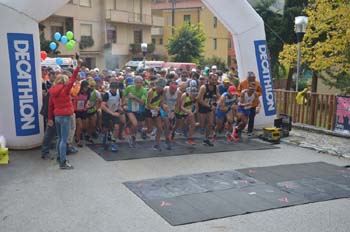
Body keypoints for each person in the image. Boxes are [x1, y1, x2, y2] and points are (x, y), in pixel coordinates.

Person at [48, 59, 82, 169]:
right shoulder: (65, 89)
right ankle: (63, 162)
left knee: (59, 138)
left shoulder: (52, 90)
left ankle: (59, 157)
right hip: (65, 116)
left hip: (57, 116)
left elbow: (50, 106)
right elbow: (72, 80)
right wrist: (78, 67)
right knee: (64, 139)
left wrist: (50, 118)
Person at [122, 76, 148, 147]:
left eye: (140, 83)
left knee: (138, 125)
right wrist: (124, 104)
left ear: (142, 83)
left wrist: (134, 97)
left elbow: (142, 102)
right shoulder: (129, 88)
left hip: (140, 110)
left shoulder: (144, 90)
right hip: (130, 109)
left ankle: (132, 134)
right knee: (135, 123)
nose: (139, 84)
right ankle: (132, 137)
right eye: (137, 82)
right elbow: (123, 96)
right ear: (134, 83)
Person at [197, 73, 220, 146]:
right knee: (201, 125)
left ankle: (206, 139)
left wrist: (216, 103)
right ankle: (191, 127)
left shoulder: (216, 87)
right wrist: (209, 106)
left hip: (209, 107)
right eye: (212, 80)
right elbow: (199, 99)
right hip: (202, 107)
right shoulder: (203, 87)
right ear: (208, 79)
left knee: (210, 123)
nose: (214, 81)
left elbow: (219, 97)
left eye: (215, 80)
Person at [237, 71, 262, 136]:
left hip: (252, 103)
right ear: (247, 78)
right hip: (243, 103)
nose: (252, 79)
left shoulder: (257, 83)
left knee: (251, 117)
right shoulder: (243, 83)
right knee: (241, 118)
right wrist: (242, 96)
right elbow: (238, 91)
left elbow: (260, 92)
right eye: (250, 78)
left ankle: (250, 131)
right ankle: (237, 129)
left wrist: (255, 94)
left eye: (253, 78)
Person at [101, 82, 123, 152]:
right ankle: (105, 136)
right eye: (113, 88)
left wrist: (120, 106)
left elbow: (121, 101)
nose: (114, 90)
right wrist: (112, 113)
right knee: (106, 128)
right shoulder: (107, 94)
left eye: (115, 88)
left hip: (115, 111)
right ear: (110, 88)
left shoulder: (119, 92)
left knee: (117, 127)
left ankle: (113, 142)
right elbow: (102, 106)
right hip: (107, 112)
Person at [145, 78, 166, 151]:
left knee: (160, 128)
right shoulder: (151, 92)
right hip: (149, 110)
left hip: (156, 110)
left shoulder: (163, 91)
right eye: (160, 86)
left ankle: (156, 144)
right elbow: (148, 105)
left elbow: (161, 102)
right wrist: (155, 107)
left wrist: (163, 106)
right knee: (150, 130)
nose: (161, 88)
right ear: (156, 85)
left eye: (163, 86)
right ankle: (144, 131)